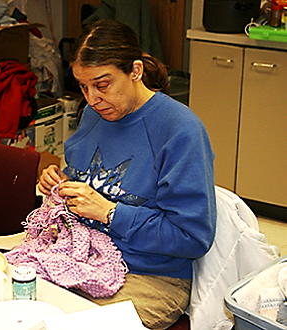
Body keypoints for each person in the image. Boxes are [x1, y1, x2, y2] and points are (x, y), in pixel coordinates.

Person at [37, 19, 216, 330]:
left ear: (135, 71)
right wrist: (60, 182)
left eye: (102, 84)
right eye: (83, 86)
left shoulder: (180, 131)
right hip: (85, 254)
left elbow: (192, 237)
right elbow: (84, 176)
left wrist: (109, 212)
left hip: (150, 274)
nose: (91, 98)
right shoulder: (96, 113)